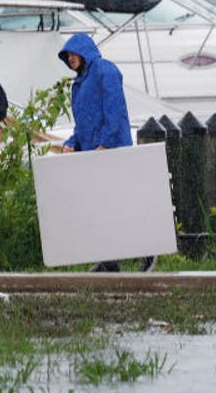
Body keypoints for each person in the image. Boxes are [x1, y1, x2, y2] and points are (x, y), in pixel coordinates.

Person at [57, 33, 155, 273]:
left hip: (113, 151)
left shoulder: (105, 70)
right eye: (66, 56)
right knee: (99, 209)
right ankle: (108, 262)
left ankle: (148, 253)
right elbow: (82, 125)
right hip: (94, 156)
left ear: (83, 50)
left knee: (123, 206)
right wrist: (71, 143)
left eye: (72, 53)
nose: (69, 58)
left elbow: (115, 110)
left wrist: (106, 143)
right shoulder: (78, 85)